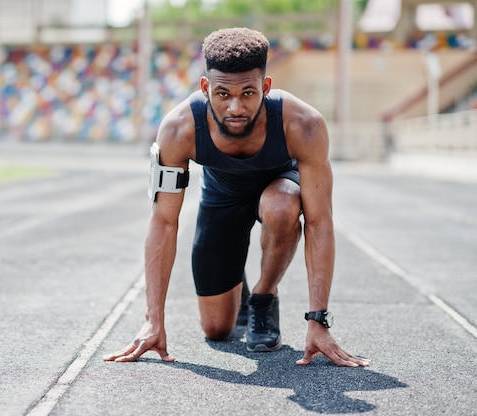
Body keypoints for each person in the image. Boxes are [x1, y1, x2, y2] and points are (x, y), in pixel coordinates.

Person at [103, 27, 370, 367]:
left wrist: (318, 321)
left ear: (266, 87)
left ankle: (262, 295)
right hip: (221, 197)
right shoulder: (179, 129)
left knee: (283, 204)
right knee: (216, 329)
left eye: (248, 93)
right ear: (205, 88)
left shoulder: (304, 124)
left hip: (279, 186)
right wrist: (153, 319)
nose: (235, 107)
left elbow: (319, 222)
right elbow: (164, 222)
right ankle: (236, 289)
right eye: (222, 94)